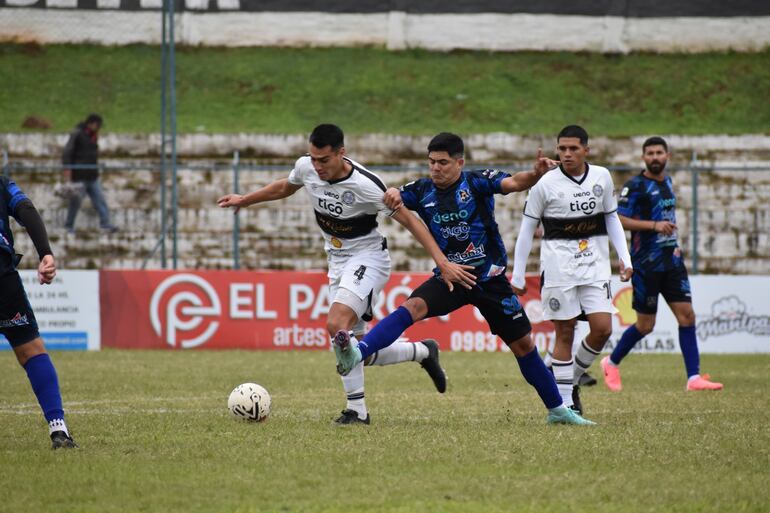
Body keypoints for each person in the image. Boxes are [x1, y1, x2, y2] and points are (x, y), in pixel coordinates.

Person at [217, 124, 476, 425]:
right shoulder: (307, 167)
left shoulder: (367, 186)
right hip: (337, 261)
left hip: (368, 258)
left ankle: (357, 411)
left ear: (342, 153)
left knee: (336, 323)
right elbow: (286, 186)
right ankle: (421, 351)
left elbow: (411, 222)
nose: (317, 166)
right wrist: (245, 199)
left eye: (324, 160)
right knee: (356, 352)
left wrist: (442, 261)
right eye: (313, 159)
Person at [333, 132, 594, 426]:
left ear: (460, 162)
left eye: (442, 162)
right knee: (413, 307)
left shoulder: (477, 182)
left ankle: (558, 411)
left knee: (523, 346)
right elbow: (393, 196)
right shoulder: (421, 190)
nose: (435, 168)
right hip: (451, 277)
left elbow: (513, 183)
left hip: (490, 279)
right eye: (431, 162)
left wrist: (534, 173)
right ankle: (357, 352)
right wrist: (393, 190)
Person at [511, 125, 633, 416]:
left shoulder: (601, 176)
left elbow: (612, 219)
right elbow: (527, 229)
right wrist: (517, 274)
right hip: (558, 270)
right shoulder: (544, 183)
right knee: (564, 332)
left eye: (573, 148)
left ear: (586, 150)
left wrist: (625, 259)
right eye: (562, 149)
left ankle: (571, 379)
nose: (566, 154)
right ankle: (566, 405)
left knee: (602, 329)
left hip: (595, 267)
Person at [600, 137, 723, 392]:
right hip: (647, 264)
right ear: (643, 157)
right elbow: (618, 219)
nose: (655, 157)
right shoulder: (635, 185)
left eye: (659, 153)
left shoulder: (667, 181)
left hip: (673, 262)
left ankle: (693, 378)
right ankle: (611, 363)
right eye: (650, 153)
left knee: (687, 316)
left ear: (668, 156)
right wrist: (654, 226)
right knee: (646, 325)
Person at [1, 176, 78, 449]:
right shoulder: (3, 184)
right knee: (31, 350)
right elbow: (27, 210)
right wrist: (45, 252)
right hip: (2, 277)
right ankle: (59, 430)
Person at [62, 113, 117, 233]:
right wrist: (67, 169)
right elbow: (67, 152)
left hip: (92, 176)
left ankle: (105, 223)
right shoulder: (77, 134)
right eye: (98, 125)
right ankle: (69, 225)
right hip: (80, 176)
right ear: (92, 124)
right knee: (75, 202)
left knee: (100, 199)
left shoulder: (93, 136)